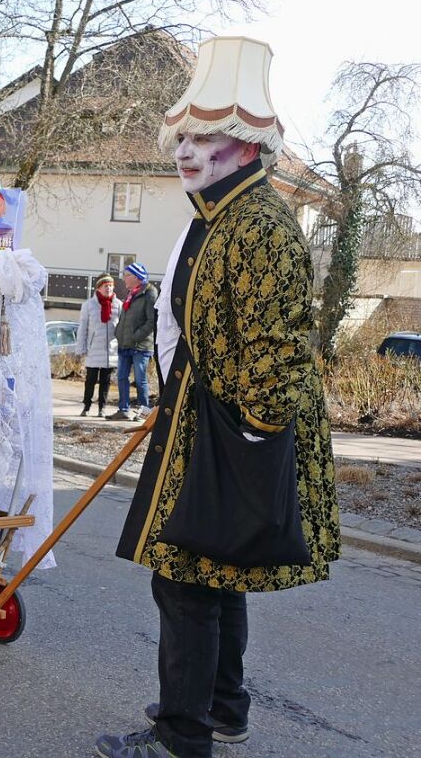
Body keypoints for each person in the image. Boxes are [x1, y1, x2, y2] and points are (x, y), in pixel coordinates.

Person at [95, 37, 341, 758]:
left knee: (183, 580)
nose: (185, 148)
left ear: (244, 143)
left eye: (204, 136)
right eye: (183, 135)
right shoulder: (218, 214)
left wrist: (253, 438)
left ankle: (180, 733)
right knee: (211, 571)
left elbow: (280, 348)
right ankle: (220, 707)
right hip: (204, 422)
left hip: (233, 433)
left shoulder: (258, 223)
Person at [106, 262, 157, 422]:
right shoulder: (131, 293)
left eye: (126, 275)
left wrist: (136, 336)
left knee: (140, 380)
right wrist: (119, 334)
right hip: (125, 343)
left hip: (140, 346)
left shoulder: (149, 293)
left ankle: (144, 412)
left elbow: (152, 320)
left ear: (136, 277)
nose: (123, 279)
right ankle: (123, 410)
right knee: (121, 377)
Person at [76, 274, 121, 417]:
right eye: (105, 286)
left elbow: (121, 327)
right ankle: (87, 406)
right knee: (90, 380)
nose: (108, 288)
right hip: (94, 348)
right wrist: (81, 348)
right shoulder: (89, 305)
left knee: (105, 381)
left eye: (110, 285)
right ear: (99, 288)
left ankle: (102, 407)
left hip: (111, 350)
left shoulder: (118, 305)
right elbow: (83, 328)